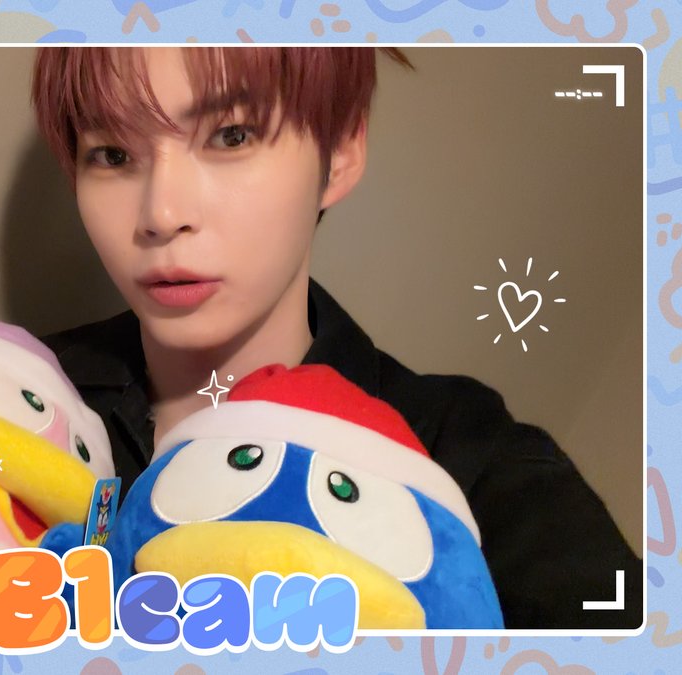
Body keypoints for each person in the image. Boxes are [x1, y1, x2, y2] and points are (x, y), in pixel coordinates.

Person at [31, 46, 642, 630]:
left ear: (341, 151)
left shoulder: (467, 464)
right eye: (112, 154)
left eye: (232, 136)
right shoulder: (18, 389)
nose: (162, 215)